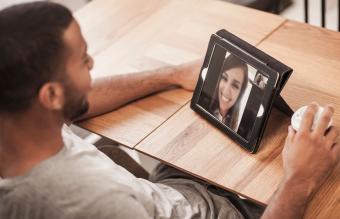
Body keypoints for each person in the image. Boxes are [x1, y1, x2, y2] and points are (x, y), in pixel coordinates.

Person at [0, 2, 339, 219]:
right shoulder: (86, 203)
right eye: (83, 60)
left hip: (168, 195)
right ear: (52, 94)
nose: (93, 64)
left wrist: (172, 75)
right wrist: (301, 178)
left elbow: (83, 101)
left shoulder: (19, 116)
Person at [209, 54, 248, 131]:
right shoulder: (204, 105)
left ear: (240, 93)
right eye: (224, 78)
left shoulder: (237, 128)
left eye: (235, 85)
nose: (226, 90)